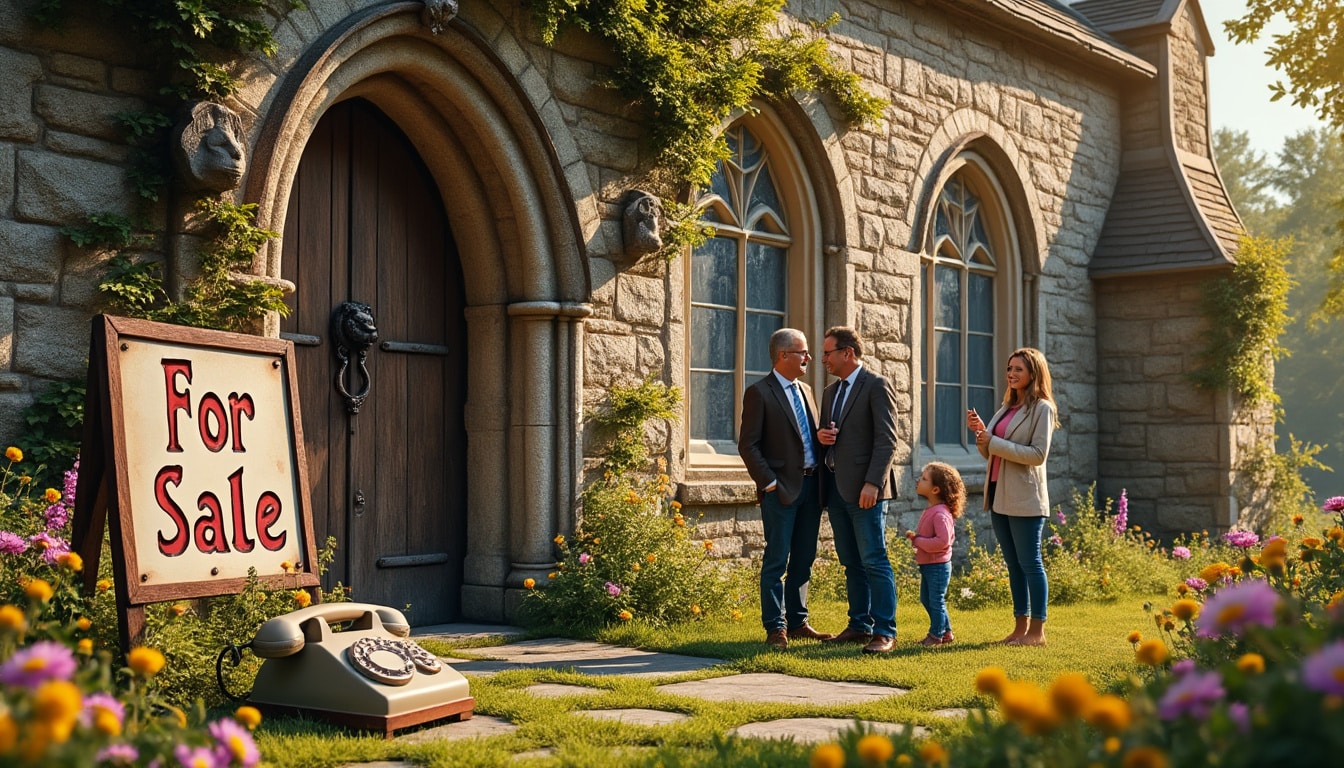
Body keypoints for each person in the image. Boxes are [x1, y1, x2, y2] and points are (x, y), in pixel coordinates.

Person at [738, 328, 834, 649]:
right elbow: (748, 445)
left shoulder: (806, 390)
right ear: (783, 356)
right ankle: (775, 628)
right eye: (802, 352)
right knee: (777, 560)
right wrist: (769, 483)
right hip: (779, 491)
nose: (809, 358)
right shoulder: (759, 392)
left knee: (804, 558)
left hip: (811, 487)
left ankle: (798, 622)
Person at [816, 326, 900, 654]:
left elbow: (888, 439)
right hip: (837, 490)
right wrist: (823, 437)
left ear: (848, 353)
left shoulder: (877, 385)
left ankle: (884, 631)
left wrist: (873, 484)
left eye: (828, 352)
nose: (823, 358)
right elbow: (829, 436)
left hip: (867, 491)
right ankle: (859, 625)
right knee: (851, 562)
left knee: (874, 560)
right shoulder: (830, 393)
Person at [966, 347, 1058, 647]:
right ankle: (1019, 629)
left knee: (1030, 563)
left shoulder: (1042, 408)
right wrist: (982, 435)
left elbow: (1037, 455)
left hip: (1024, 498)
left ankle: (1037, 632)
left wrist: (994, 441)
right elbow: (989, 451)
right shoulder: (1006, 408)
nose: (1011, 374)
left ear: (1033, 373)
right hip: (998, 496)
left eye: (1018, 369)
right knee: (1013, 564)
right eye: (1009, 368)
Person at [905, 461, 965, 647]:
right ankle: (946, 632)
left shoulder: (940, 514)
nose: (919, 481)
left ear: (936, 489)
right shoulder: (932, 510)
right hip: (930, 564)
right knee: (927, 599)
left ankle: (936, 635)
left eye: (924, 479)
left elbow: (942, 542)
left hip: (938, 566)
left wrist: (918, 541)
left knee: (935, 600)